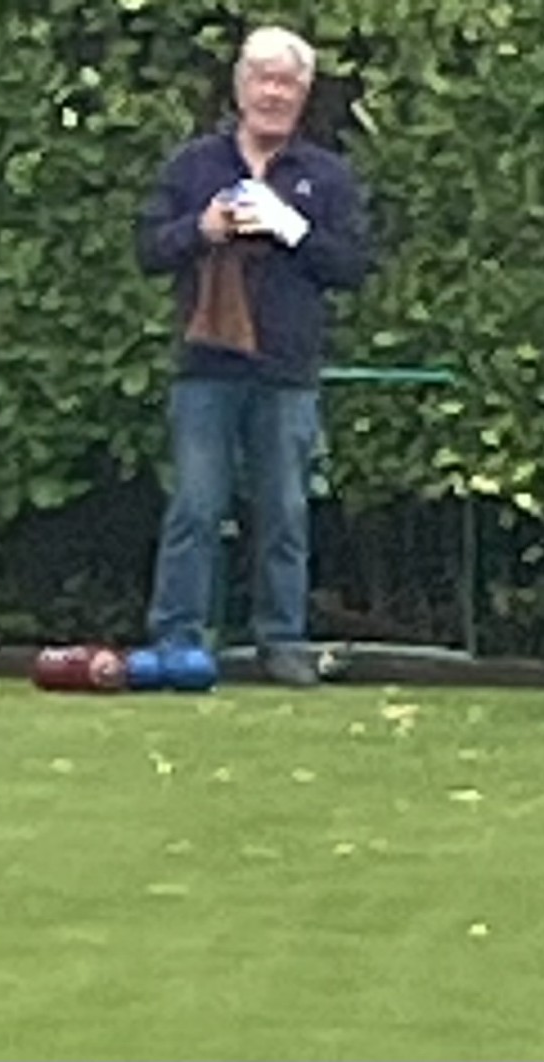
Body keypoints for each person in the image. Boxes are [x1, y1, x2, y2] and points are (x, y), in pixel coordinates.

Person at [135, 25, 371, 685]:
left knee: (285, 513)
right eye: (262, 78)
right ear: (240, 86)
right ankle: (178, 640)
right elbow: (149, 250)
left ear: (303, 93)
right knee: (195, 509)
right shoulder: (193, 166)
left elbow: (353, 265)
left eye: (287, 81)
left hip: (288, 370)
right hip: (206, 367)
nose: (273, 92)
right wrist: (200, 231)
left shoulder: (325, 176)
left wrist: (291, 230)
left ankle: (282, 643)